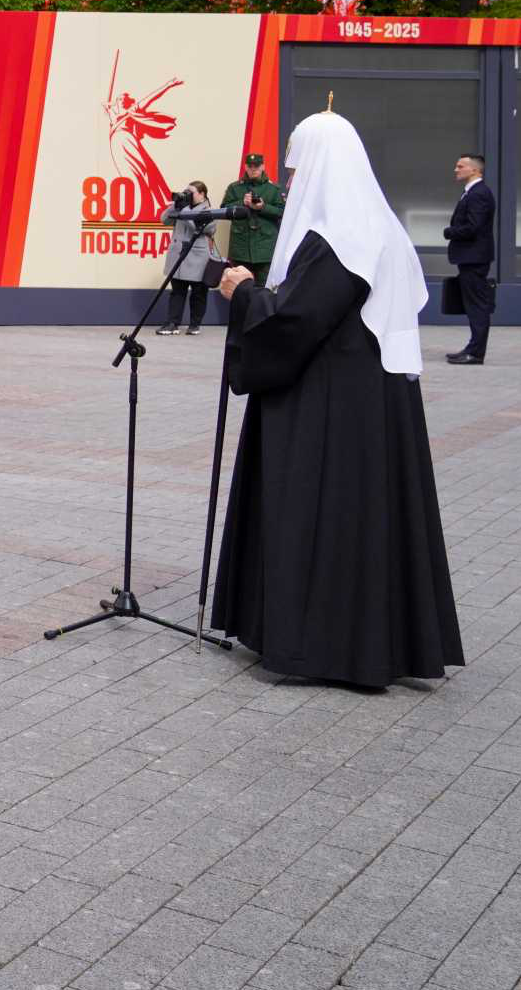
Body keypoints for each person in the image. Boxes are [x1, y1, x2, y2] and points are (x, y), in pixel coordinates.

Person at [211, 110, 465, 689]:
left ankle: (323, 648)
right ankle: (366, 641)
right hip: (372, 402)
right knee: (365, 520)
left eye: (297, 171)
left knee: (328, 517)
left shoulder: (340, 239)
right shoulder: (378, 228)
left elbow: (297, 321)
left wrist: (244, 293)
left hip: (331, 406)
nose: (291, 182)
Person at [443, 152, 495, 365]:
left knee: (477, 306)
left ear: (475, 170)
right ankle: (472, 348)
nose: (456, 169)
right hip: (470, 257)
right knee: (473, 305)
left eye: (460, 166)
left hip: (474, 257)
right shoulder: (472, 192)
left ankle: (475, 353)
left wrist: (450, 232)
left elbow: (474, 227)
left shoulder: (478, 194)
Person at [156, 181, 219, 337]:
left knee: (198, 293)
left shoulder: (208, 211)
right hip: (178, 256)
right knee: (177, 292)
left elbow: (206, 228)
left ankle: (194, 324)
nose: (188, 195)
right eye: (186, 192)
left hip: (197, 258)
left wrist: (185, 210)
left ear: (202, 194)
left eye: (191, 193)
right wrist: (175, 206)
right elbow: (164, 219)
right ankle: (172, 323)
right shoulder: (182, 207)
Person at [229, 152, 284, 276]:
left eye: (257, 166)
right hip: (240, 248)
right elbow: (225, 209)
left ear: (263, 166)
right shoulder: (234, 188)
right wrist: (242, 202)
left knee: (263, 286)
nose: (253, 169)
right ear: (245, 167)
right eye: (250, 166)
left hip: (264, 249)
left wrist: (263, 207)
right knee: (238, 284)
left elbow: (281, 212)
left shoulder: (274, 189)